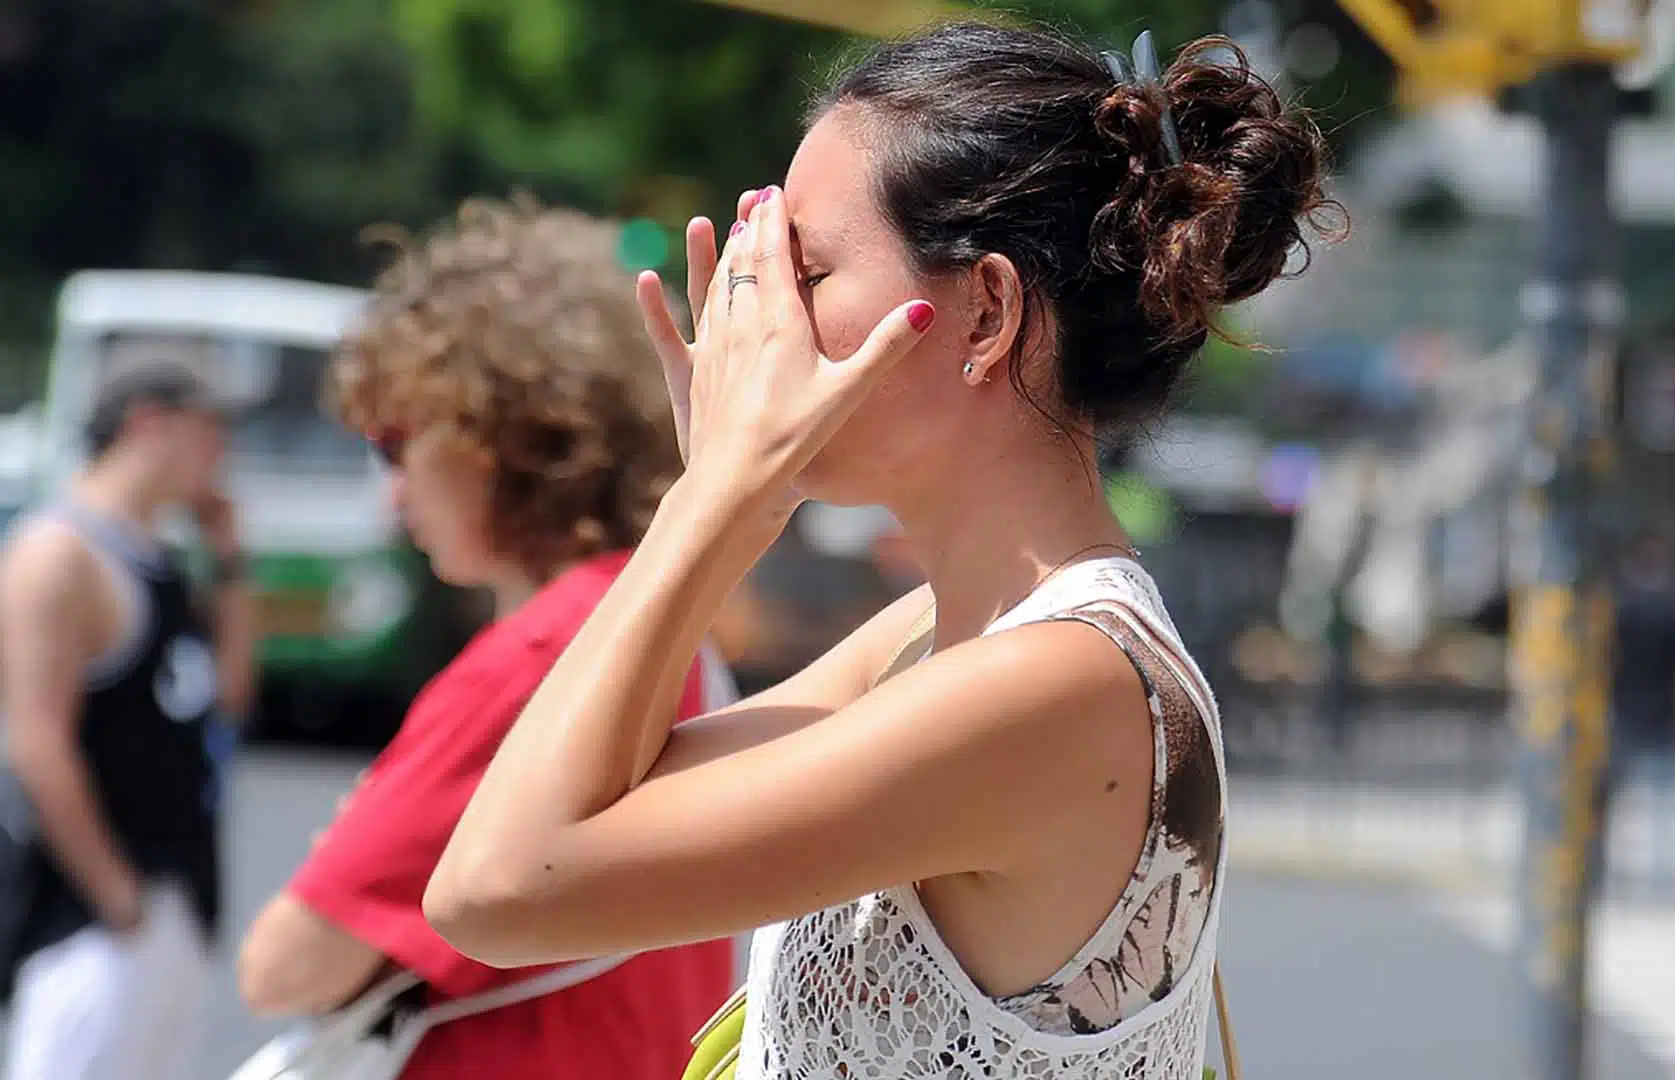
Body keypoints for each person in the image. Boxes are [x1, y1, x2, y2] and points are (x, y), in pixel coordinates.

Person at [423, 24, 1334, 1079]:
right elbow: (597, 801)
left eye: (805, 270)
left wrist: (713, 501)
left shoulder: (1058, 685)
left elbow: (497, 889)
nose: (758, 320)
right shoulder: (931, 639)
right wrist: (725, 500)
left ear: (987, 312)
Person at [234, 197, 737, 1080]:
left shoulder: (543, 658)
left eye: (396, 445)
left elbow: (284, 966)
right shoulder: (659, 614)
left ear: (495, 436)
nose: (390, 493)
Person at [0, 362, 255, 1080]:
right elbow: (36, 741)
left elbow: (226, 696)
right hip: (89, 915)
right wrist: (118, 898)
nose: (222, 453)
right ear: (149, 423)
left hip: (175, 890)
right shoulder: (58, 554)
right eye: (211, 430)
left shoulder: (159, 556)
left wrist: (231, 558)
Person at [1604, 534, 1675, 905]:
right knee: (1662, 806)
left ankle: (1609, 877)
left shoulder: (1619, 607)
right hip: (1664, 713)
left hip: (1623, 711)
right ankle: (1660, 884)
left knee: (1613, 805)